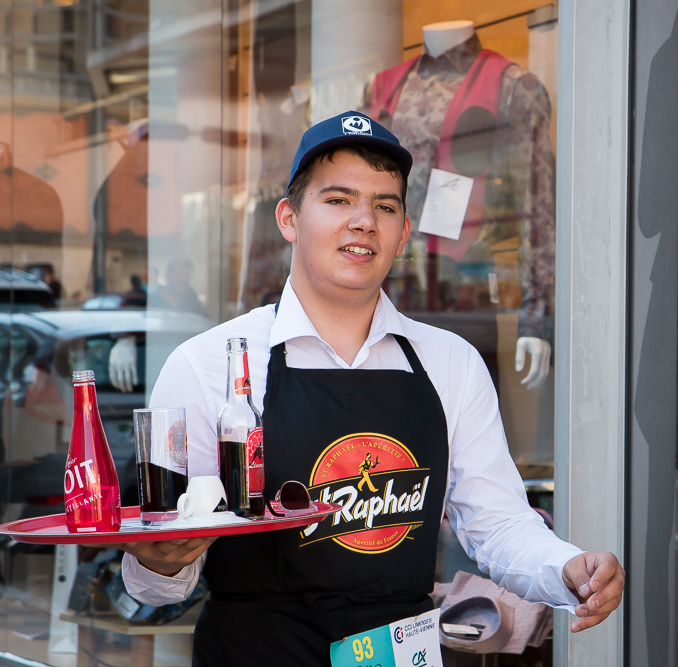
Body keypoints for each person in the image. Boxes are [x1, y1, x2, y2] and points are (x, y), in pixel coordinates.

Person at [117, 110, 624, 665]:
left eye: (385, 206)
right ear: (289, 218)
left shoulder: (451, 363)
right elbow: (154, 582)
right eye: (338, 200)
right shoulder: (204, 366)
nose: (364, 221)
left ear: (403, 234)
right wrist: (160, 560)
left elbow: (497, 524)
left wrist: (565, 569)